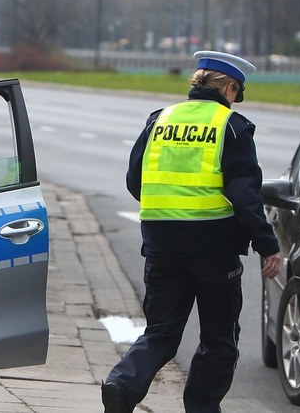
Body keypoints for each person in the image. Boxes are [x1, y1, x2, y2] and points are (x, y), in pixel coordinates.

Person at [102, 50, 281, 413]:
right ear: (229, 87)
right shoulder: (232, 127)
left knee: (161, 333)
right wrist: (268, 245)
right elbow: (244, 196)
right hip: (214, 249)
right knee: (219, 339)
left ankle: (122, 384)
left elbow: (136, 181)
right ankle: (201, 408)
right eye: (236, 93)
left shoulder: (159, 119)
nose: (235, 101)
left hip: (160, 246)